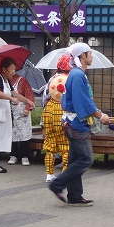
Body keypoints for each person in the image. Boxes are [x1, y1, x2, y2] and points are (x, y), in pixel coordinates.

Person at [48, 42, 109, 205]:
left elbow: (84, 100)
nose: (92, 56)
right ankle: (57, 184)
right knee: (86, 159)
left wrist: (97, 112)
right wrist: (100, 115)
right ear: (82, 55)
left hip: (72, 122)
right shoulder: (77, 75)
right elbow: (83, 101)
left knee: (75, 160)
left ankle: (74, 195)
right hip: (76, 124)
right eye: (90, 53)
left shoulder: (76, 74)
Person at [41, 54, 71, 182]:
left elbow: (44, 98)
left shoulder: (52, 79)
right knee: (65, 144)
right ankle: (65, 173)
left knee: (50, 143)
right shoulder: (70, 79)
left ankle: (49, 174)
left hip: (49, 110)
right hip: (62, 110)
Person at [8, 71, 35, 166]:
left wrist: (27, 108)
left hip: (22, 112)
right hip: (11, 112)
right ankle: (13, 155)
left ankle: (25, 156)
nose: (12, 71)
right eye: (10, 69)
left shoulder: (22, 81)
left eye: (13, 69)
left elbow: (29, 95)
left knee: (24, 134)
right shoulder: (6, 82)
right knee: (12, 134)